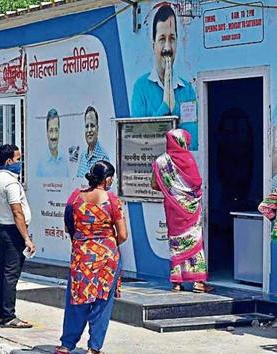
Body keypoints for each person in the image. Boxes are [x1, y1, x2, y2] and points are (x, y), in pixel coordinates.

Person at [55, 161, 127, 354]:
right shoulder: (112, 201)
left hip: (82, 256)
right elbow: (123, 234)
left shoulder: (75, 198)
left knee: (77, 299)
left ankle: (66, 344)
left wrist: (84, 243)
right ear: (108, 178)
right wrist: (105, 244)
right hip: (107, 258)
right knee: (102, 301)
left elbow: (69, 226)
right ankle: (94, 348)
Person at [151, 129, 212, 293]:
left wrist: (171, 190)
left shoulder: (160, 162)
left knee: (175, 244)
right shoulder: (188, 160)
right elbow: (196, 183)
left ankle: (176, 283)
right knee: (195, 243)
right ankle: (199, 282)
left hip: (172, 208)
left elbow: (154, 185)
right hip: (190, 209)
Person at [131, 4, 198, 149]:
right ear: (153, 44)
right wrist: (165, 106)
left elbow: (192, 143)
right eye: (162, 39)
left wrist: (173, 111)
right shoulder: (140, 88)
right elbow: (140, 140)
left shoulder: (187, 90)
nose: (167, 47)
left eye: (172, 39)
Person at [0, 144, 36, 328]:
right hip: (12, 231)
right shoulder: (10, 183)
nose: (20, 162)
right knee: (11, 274)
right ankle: (9, 316)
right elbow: (17, 212)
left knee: (2, 272)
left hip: (3, 229)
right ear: (9, 161)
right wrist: (26, 238)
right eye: (18, 159)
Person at [76, 107, 109, 178]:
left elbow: (105, 188)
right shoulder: (82, 156)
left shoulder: (103, 159)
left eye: (92, 126)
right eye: (87, 126)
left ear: (97, 129)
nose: (89, 130)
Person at [37, 109, 69, 178]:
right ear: (47, 133)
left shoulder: (65, 161)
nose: (54, 136)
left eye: (56, 130)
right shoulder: (41, 163)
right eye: (51, 131)